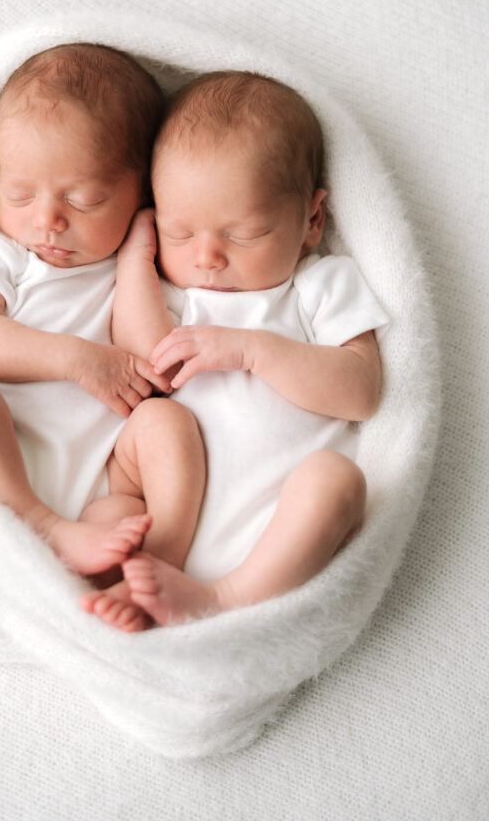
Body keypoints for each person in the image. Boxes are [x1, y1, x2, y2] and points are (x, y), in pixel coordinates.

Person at [84, 69, 389, 629]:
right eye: (180, 233)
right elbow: (147, 366)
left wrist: (253, 351)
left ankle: (223, 599)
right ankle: (129, 586)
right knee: (136, 456)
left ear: (311, 220)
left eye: (242, 234)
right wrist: (134, 264)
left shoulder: (319, 285)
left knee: (338, 481)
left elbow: (361, 392)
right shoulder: (177, 294)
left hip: (274, 534)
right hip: (166, 519)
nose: (206, 258)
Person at [0, 43, 205, 630]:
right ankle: (40, 524)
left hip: (110, 481)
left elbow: (156, 365)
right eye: (20, 194)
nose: (47, 220)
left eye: (84, 199)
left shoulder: (145, 262)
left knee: (169, 427)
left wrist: (137, 255)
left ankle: (159, 571)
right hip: (14, 450)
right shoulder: (11, 257)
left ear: (142, 191)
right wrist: (76, 359)